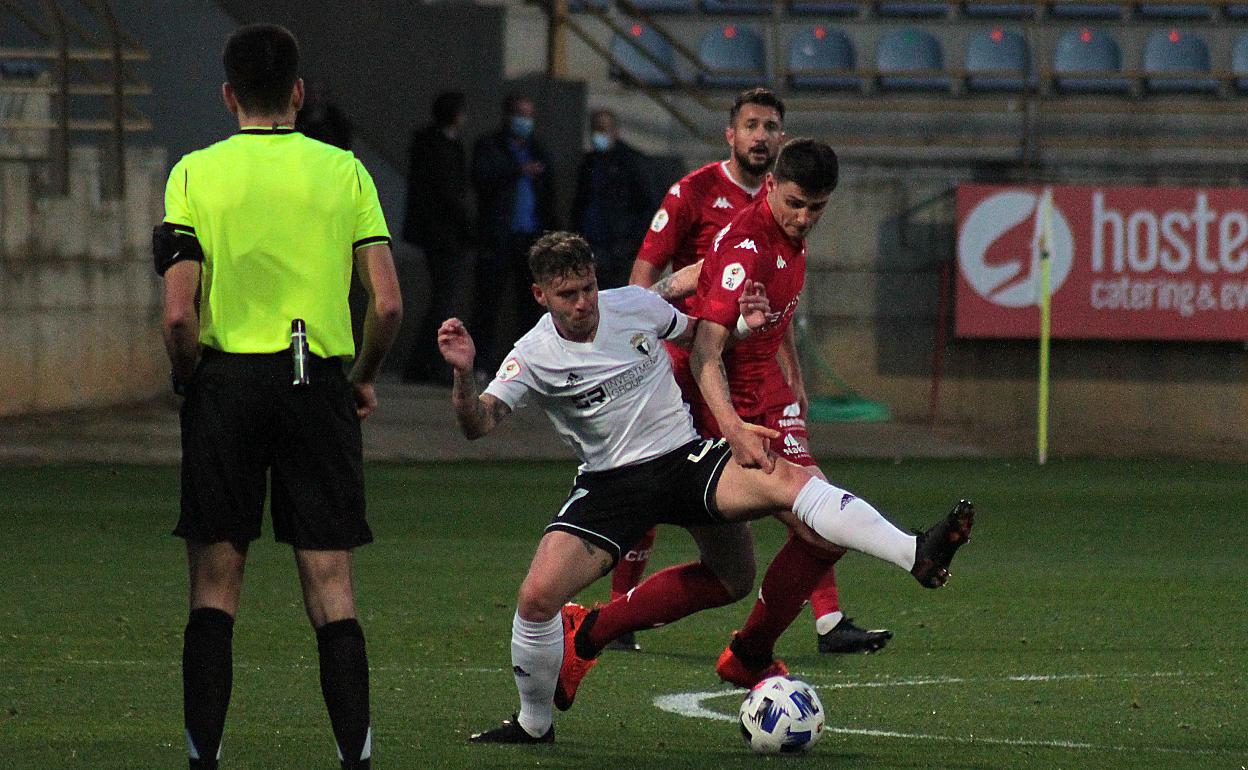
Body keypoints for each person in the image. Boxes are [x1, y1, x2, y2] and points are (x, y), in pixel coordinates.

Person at [438, 231, 974, 744]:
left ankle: (915, 551)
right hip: (611, 485)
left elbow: (698, 339)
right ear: (541, 295)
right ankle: (535, 725)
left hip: (684, 460)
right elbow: (478, 424)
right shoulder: (532, 355)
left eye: (588, 288)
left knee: (771, 506)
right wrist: (464, 377)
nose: (583, 304)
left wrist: (740, 328)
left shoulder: (635, 306)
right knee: (535, 600)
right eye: (567, 295)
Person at [156, 24, 402, 770]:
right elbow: (387, 304)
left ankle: (205, 757)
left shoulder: (194, 174)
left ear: (228, 93)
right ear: (298, 92)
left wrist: (186, 375)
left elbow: (177, 313)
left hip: (226, 384)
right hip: (316, 381)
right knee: (331, 584)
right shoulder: (346, 172)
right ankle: (353, 758)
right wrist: (359, 376)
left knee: (214, 584)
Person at [622, 87, 890, 656]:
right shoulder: (695, 194)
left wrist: (790, 365)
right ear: (732, 134)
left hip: (758, 371)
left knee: (808, 493)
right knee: (648, 494)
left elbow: (773, 302)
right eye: (751, 125)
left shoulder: (791, 214)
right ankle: (621, 614)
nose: (761, 135)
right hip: (698, 368)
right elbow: (651, 276)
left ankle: (826, 619)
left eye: (771, 125)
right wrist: (634, 341)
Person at [470, 93, 557, 377]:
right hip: (499, 236)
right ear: (507, 115)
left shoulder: (539, 150)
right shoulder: (490, 146)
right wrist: (516, 170)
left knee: (531, 305)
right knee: (488, 302)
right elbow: (482, 178)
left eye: (528, 115)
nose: (524, 121)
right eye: (520, 114)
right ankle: (481, 363)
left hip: (530, 238)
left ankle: (526, 365)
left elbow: (549, 195)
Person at [401, 91, 474, 385]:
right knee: (444, 301)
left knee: (441, 300)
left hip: (436, 234)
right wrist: (469, 229)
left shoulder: (429, 144)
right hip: (445, 236)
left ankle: (424, 364)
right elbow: (449, 196)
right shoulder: (443, 148)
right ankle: (430, 364)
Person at [571, 108, 658, 291]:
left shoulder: (632, 162)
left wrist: (628, 245)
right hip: (590, 246)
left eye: (603, 130)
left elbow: (648, 207)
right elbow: (581, 203)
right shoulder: (589, 163)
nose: (598, 135)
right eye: (595, 130)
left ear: (615, 131)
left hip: (618, 251)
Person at [295, 79, 353, 150]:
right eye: (313, 93)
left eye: (320, 93)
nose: (316, 97)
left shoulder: (337, 123)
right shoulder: (298, 116)